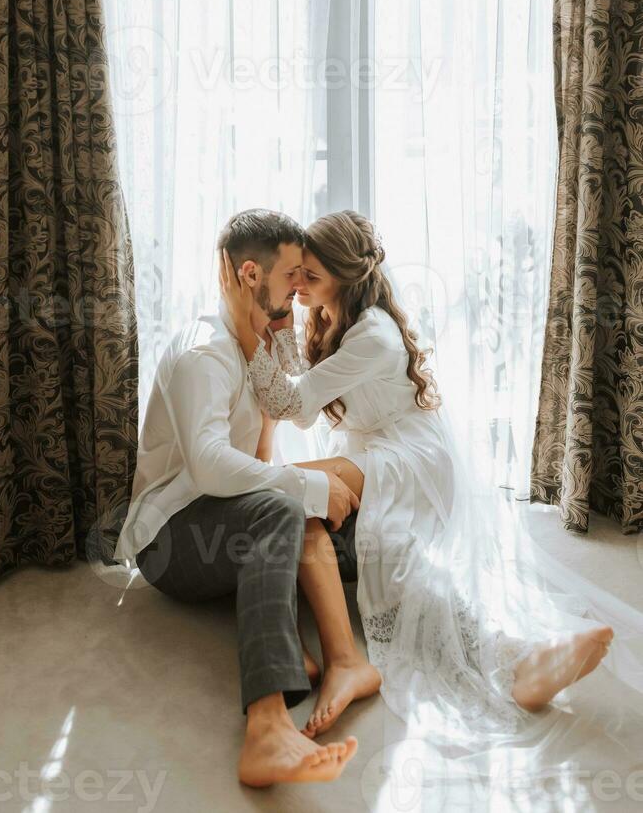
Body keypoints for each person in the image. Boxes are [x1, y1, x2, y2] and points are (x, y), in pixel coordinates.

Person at [219, 209, 638, 759]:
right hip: (376, 448)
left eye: (309, 275)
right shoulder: (327, 313)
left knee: (285, 489)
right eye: (296, 273)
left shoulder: (372, 334)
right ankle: (510, 655)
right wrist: (275, 328)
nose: (297, 283)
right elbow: (300, 399)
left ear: (344, 274)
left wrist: (246, 327)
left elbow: (291, 403)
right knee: (397, 557)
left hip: (408, 455)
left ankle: (495, 657)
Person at [111, 209, 360, 788]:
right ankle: (267, 727)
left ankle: (343, 643)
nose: (302, 288)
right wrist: (307, 488)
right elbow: (212, 468)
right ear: (250, 274)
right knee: (284, 505)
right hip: (171, 538)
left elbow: (272, 426)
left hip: (225, 515)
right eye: (293, 274)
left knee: (350, 484)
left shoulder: (261, 342)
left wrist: (317, 486)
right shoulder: (205, 352)